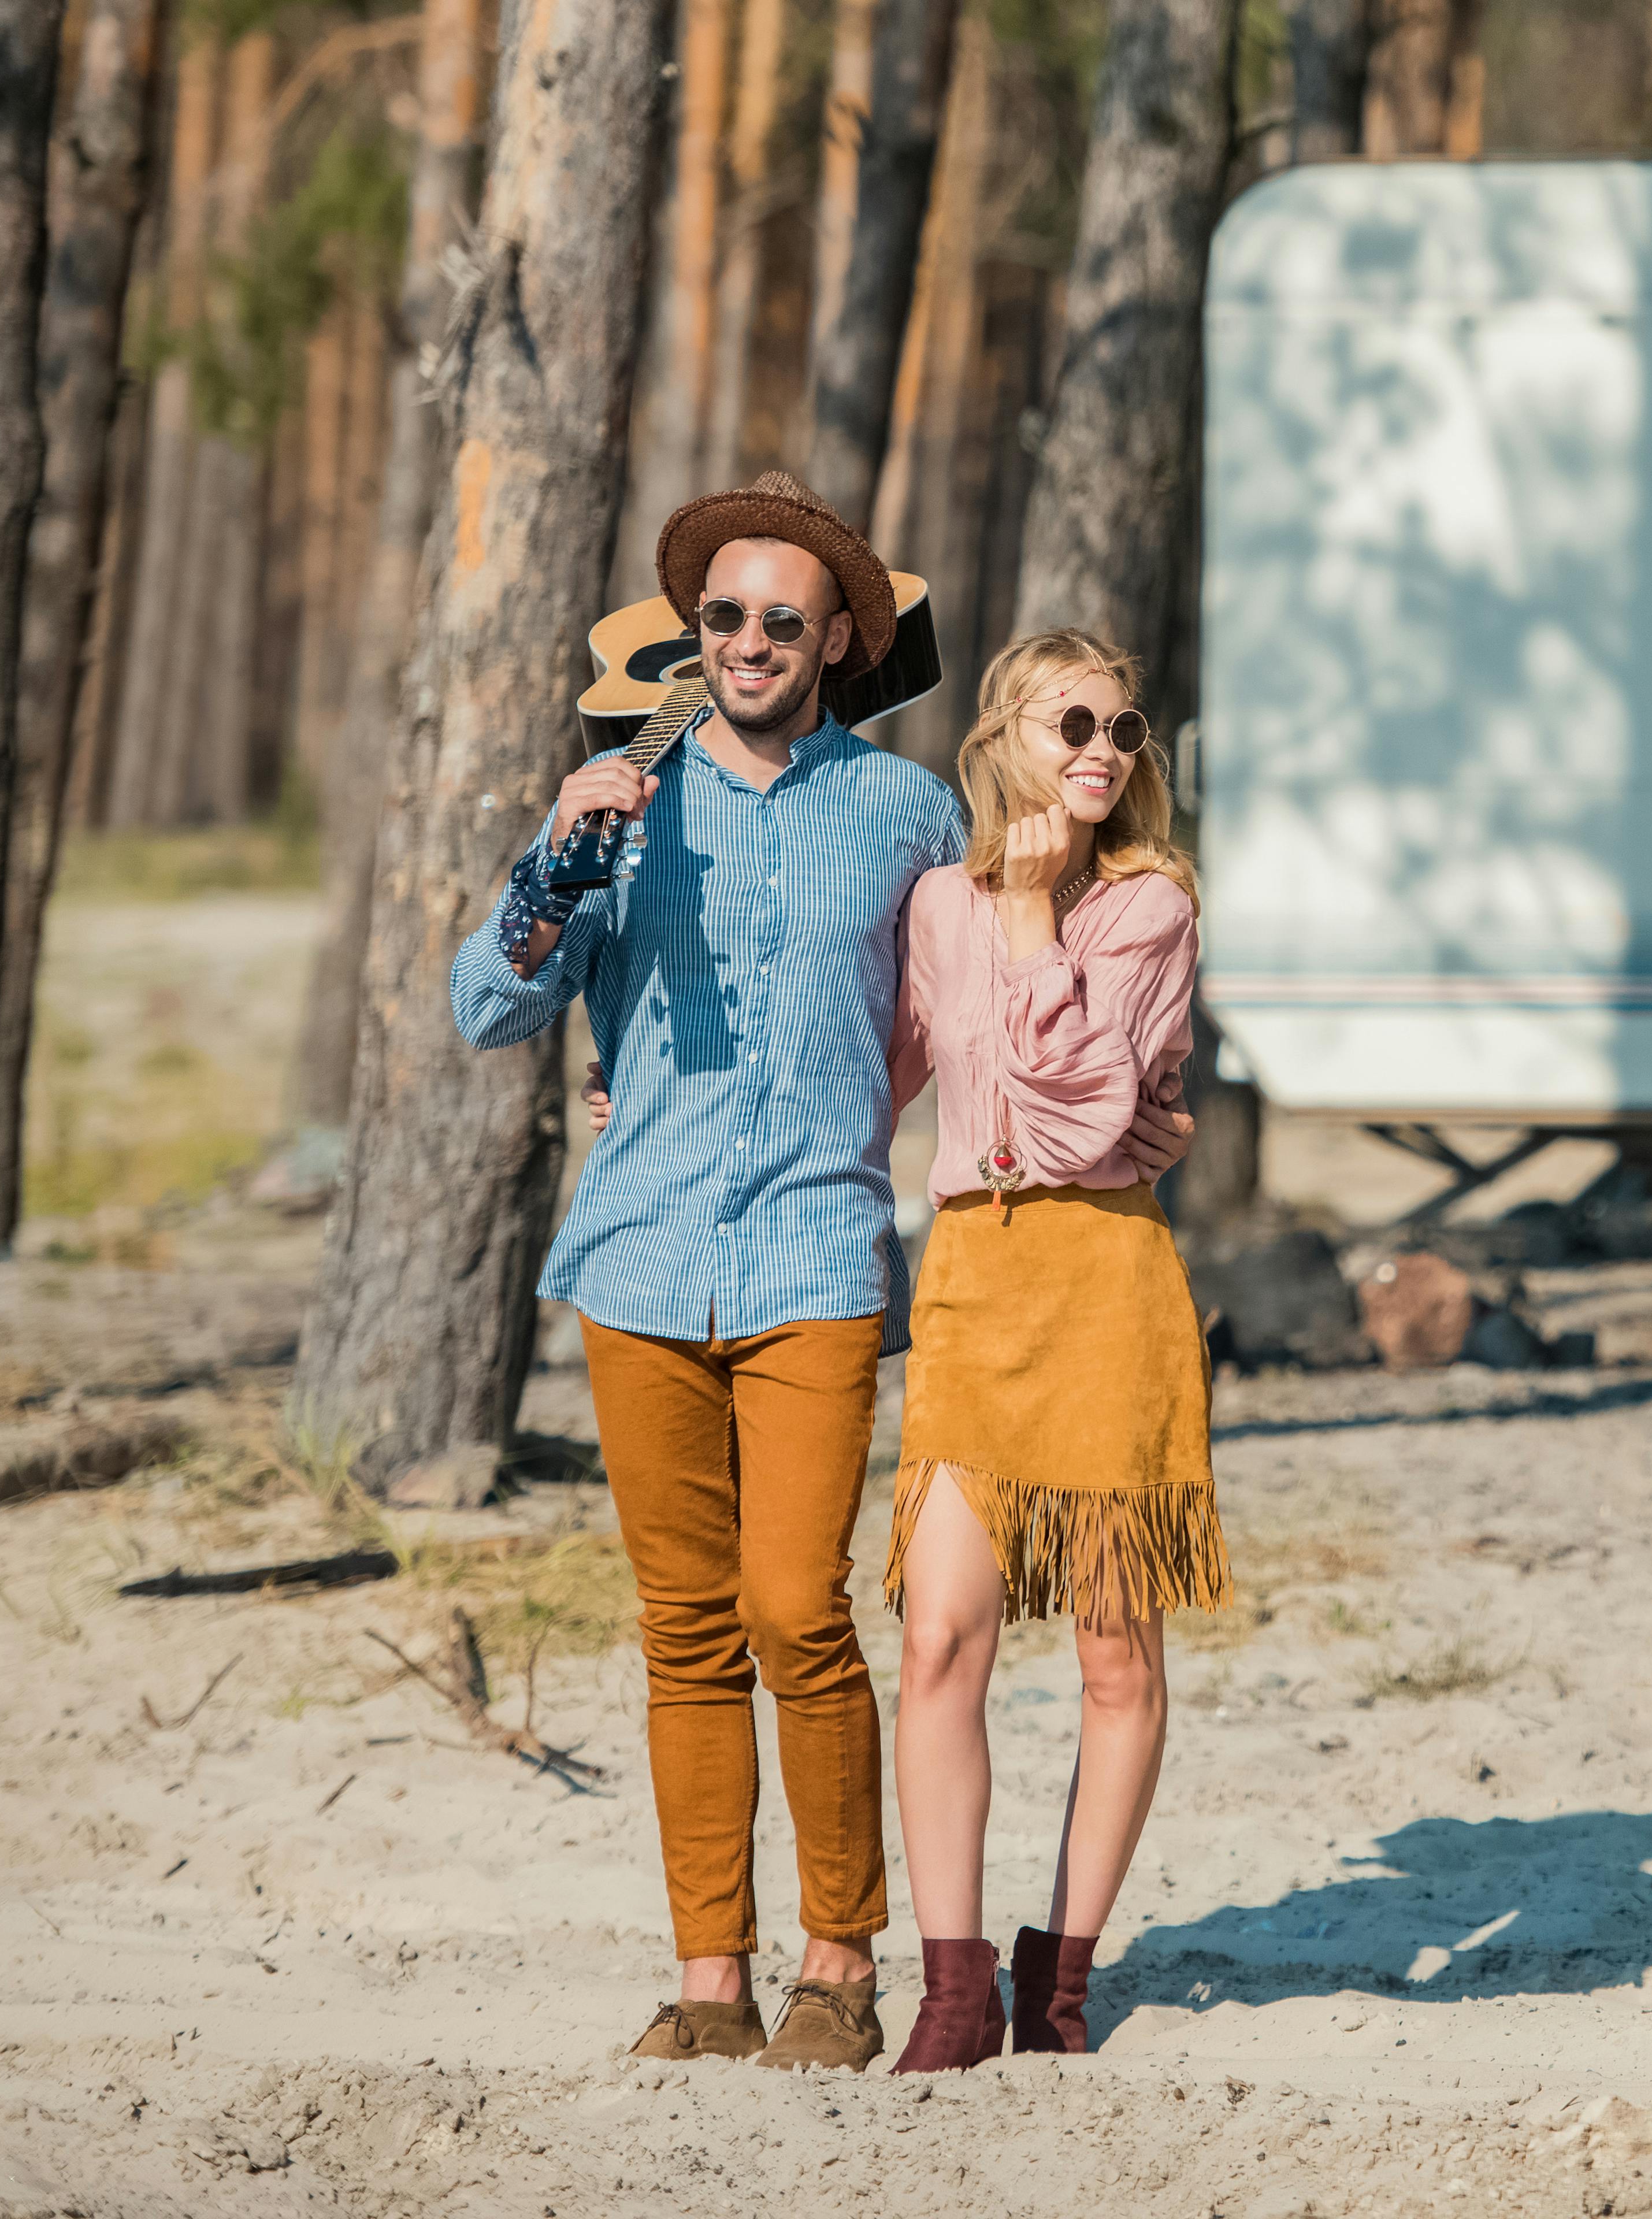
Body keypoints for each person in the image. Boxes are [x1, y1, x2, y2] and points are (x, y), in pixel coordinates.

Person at [452, 475, 1193, 2075]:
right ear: (690, 634)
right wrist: (555, 879)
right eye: (721, 616)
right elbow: (488, 1010)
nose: (749, 642)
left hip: (815, 1255)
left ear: (838, 639)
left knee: (800, 1609)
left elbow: (959, 1009)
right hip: (639, 1256)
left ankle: (841, 1963)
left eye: (783, 619)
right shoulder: (614, 801)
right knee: (684, 1633)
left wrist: (1141, 1102)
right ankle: (709, 1981)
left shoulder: (910, 816)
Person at [882, 628, 1230, 2071]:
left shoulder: (1150, 908)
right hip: (974, 1276)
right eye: (1070, 721)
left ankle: (1065, 1979)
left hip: (1106, 1286)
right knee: (939, 1636)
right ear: (1001, 737)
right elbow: (873, 1065)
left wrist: (1036, 924)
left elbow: (1089, 1130)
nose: (1102, 749)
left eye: (1125, 728)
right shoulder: (934, 907)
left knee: (1112, 1659)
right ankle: (956, 1987)